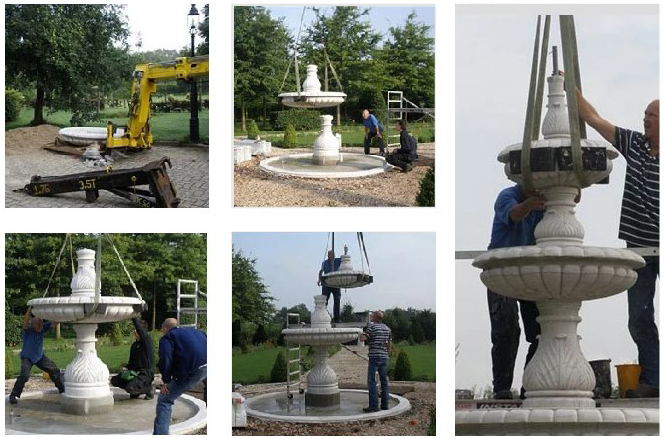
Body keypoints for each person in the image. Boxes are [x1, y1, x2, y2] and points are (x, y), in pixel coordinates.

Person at [576, 91, 660, 398]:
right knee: (639, 316)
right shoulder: (636, 144)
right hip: (638, 247)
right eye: (645, 114)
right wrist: (570, 87)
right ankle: (653, 380)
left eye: (651, 115)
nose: (645, 119)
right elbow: (594, 119)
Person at [486, 185, 545, 399]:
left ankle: (529, 385)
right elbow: (516, 214)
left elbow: (574, 198)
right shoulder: (507, 196)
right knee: (506, 330)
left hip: (529, 273)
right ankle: (501, 388)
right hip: (501, 271)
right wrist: (529, 205)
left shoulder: (544, 199)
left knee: (543, 331)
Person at [153, 318, 207, 435]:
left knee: (165, 399)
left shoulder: (168, 337)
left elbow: (166, 359)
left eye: (162, 330)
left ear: (166, 328)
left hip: (194, 370)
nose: (162, 333)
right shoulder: (197, 332)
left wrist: (166, 381)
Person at [9, 306, 65, 404]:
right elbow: (25, 322)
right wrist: (29, 309)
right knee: (24, 375)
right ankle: (13, 395)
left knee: (54, 370)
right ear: (33, 324)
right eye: (38, 324)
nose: (40, 326)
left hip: (39, 357)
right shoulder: (28, 331)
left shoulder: (43, 328)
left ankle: (62, 390)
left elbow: (55, 322)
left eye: (41, 324)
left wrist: (54, 312)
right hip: (27, 357)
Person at [110, 317, 154, 399]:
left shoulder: (147, 342)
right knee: (114, 380)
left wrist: (133, 317)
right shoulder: (134, 345)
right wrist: (125, 368)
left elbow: (140, 330)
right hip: (134, 373)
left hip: (145, 373)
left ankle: (148, 389)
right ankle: (135, 389)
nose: (134, 331)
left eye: (136, 330)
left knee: (130, 388)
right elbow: (131, 362)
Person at [360, 310, 392, 412]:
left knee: (372, 381)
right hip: (384, 357)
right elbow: (389, 345)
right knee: (384, 381)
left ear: (376, 317)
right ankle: (385, 404)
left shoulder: (372, 327)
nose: (371, 317)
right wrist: (387, 354)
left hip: (374, 357)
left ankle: (374, 406)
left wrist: (361, 333)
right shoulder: (387, 328)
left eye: (372, 316)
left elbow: (363, 339)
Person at [317, 250, 342, 323]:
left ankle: (337, 318)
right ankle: (322, 317)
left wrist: (345, 251)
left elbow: (344, 260)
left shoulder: (337, 261)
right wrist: (319, 279)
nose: (332, 256)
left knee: (337, 300)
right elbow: (321, 271)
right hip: (327, 283)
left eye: (333, 254)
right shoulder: (324, 263)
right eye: (330, 255)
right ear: (328, 255)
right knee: (324, 301)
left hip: (336, 283)